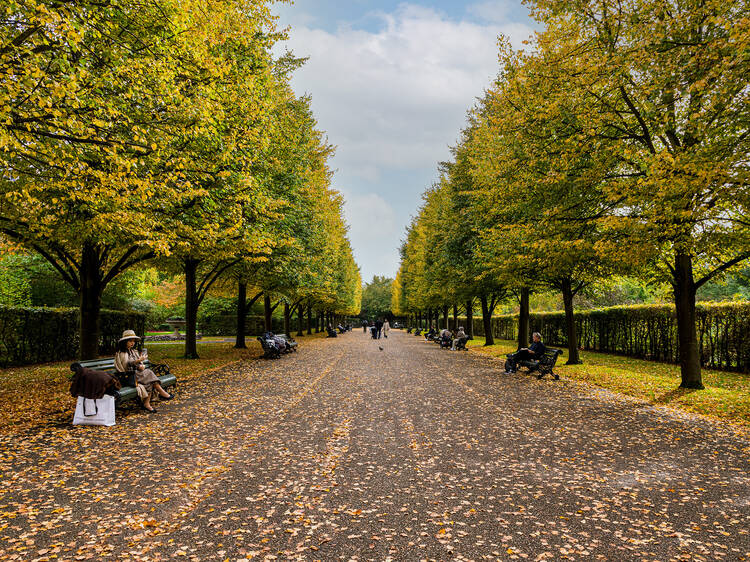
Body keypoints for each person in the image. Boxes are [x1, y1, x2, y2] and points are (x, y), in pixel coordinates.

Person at [115, 330, 173, 413]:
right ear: (124, 342)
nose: (132, 343)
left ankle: (147, 404)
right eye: (130, 341)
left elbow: (135, 365)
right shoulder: (121, 353)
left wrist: (140, 366)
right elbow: (127, 364)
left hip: (136, 375)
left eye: (133, 341)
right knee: (149, 372)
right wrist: (138, 361)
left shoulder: (132, 351)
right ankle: (161, 392)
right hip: (126, 377)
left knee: (149, 382)